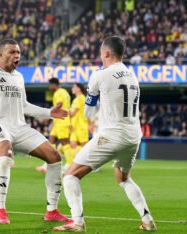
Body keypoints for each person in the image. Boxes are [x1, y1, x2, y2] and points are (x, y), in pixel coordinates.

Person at [0, 38, 70, 224]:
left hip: (19, 127)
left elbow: (24, 106)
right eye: (11, 52)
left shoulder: (19, 77)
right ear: (0, 54)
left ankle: (52, 211)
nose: (16, 55)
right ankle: (0, 210)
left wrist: (49, 112)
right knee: (6, 153)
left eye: (18, 52)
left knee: (55, 157)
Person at [53, 36, 156, 232]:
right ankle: (148, 220)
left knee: (70, 176)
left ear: (107, 53)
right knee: (123, 178)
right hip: (133, 136)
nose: (101, 55)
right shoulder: (133, 76)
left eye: (101, 52)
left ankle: (77, 222)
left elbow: (88, 110)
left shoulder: (99, 75)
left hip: (110, 136)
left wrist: (93, 119)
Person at [35, 78, 72, 172]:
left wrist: (48, 115)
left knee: (65, 142)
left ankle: (71, 165)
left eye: (50, 85)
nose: (49, 87)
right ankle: (49, 164)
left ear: (54, 84)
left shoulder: (59, 92)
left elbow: (59, 105)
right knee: (51, 141)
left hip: (62, 120)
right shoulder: (64, 92)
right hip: (58, 121)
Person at [69, 83, 89, 162]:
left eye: (74, 87)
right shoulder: (77, 99)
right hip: (74, 126)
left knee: (84, 146)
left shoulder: (81, 98)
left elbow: (73, 113)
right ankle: (71, 164)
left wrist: (62, 112)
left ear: (79, 88)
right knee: (73, 145)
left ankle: (92, 163)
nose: (72, 88)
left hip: (81, 126)